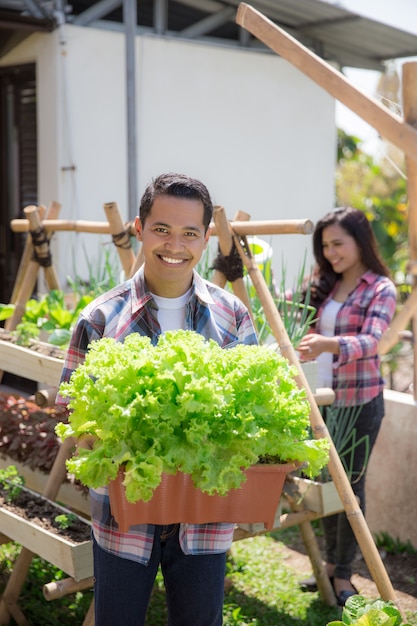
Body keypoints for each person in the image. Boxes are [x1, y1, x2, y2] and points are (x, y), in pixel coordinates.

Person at [57, 172, 258, 626]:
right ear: (139, 228)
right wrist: (108, 448)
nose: (175, 244)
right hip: (123, 515)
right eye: (162, 229)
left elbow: (249, 417)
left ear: (206, 239)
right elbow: (73, 412)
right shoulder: (100, 318)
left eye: (190, 233)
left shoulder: (231, 316)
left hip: (204, 518)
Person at [297, 206, 396, 606]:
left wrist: (328, 343)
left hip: (360, 402)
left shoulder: (380, 288)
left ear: (360, 241)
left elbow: (373, 340)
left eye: (338, 243)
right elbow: (282, 303)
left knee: (349, 489)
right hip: (321, 401)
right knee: (324, 486)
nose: (331, 252)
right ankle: (325, 566)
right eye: (325, 245)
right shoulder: (323, 283)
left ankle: (343, 575)